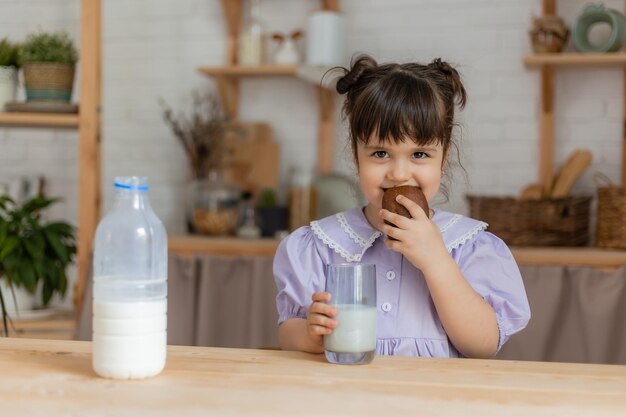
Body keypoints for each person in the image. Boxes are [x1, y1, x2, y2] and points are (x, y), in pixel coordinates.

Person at [273, 54, 530, 358]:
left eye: (419, 154)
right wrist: (311, 334)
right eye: (380, 153)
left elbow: (482, 346)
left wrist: (435, 259)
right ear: (357, 156)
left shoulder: (468, 247)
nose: (398, 173)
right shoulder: (320, 246)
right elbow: (288, 333)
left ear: (444, 158)